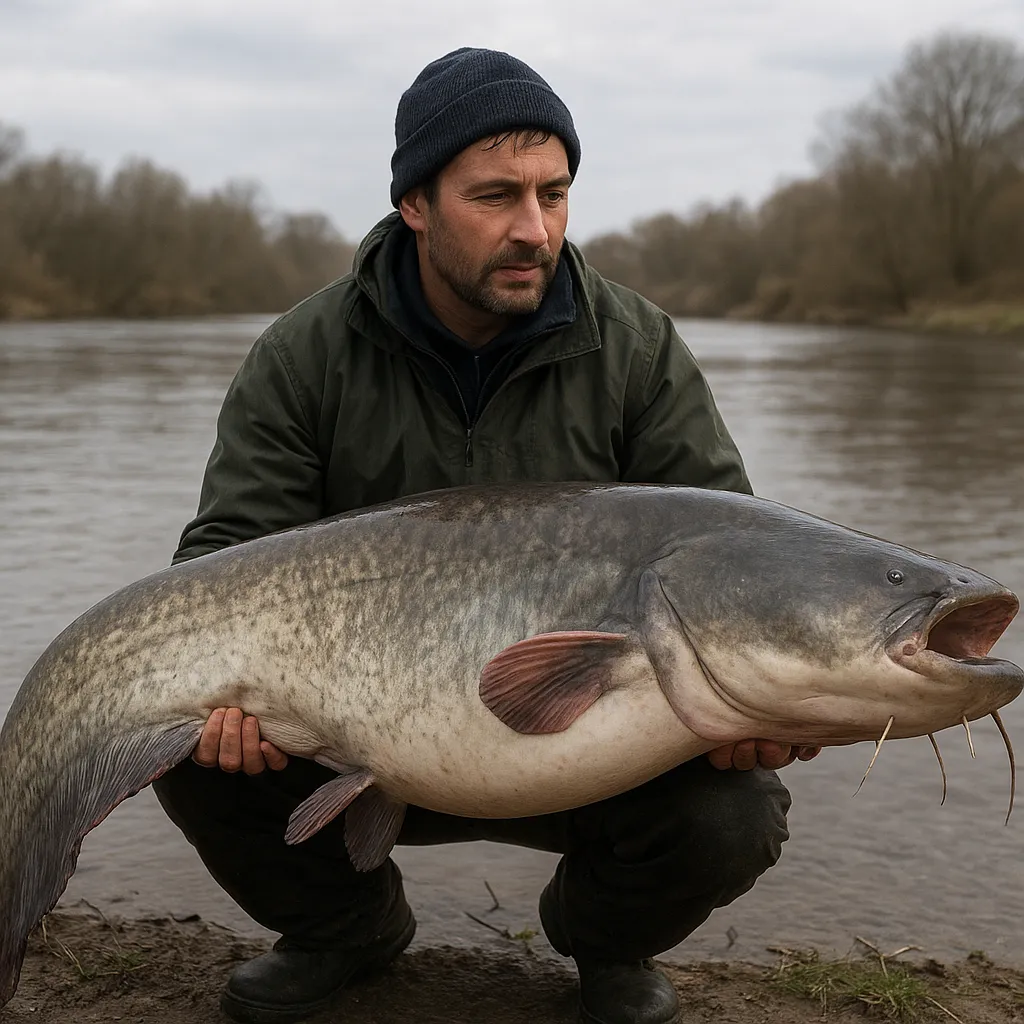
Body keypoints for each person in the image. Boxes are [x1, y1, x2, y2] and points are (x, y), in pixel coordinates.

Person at [153, 47, 819, 1024]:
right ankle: (348, 928)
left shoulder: (636, 350)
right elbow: (217, 566)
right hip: (353, 738)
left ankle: (603, 940)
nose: (533, 228)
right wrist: (220, 703)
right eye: (496, 195)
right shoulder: (305, 353)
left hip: (589, 742)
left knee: (737, 808)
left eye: (554, 193)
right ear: (416, 203)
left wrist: (761, 689)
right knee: (177, 742)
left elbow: (726, 550)